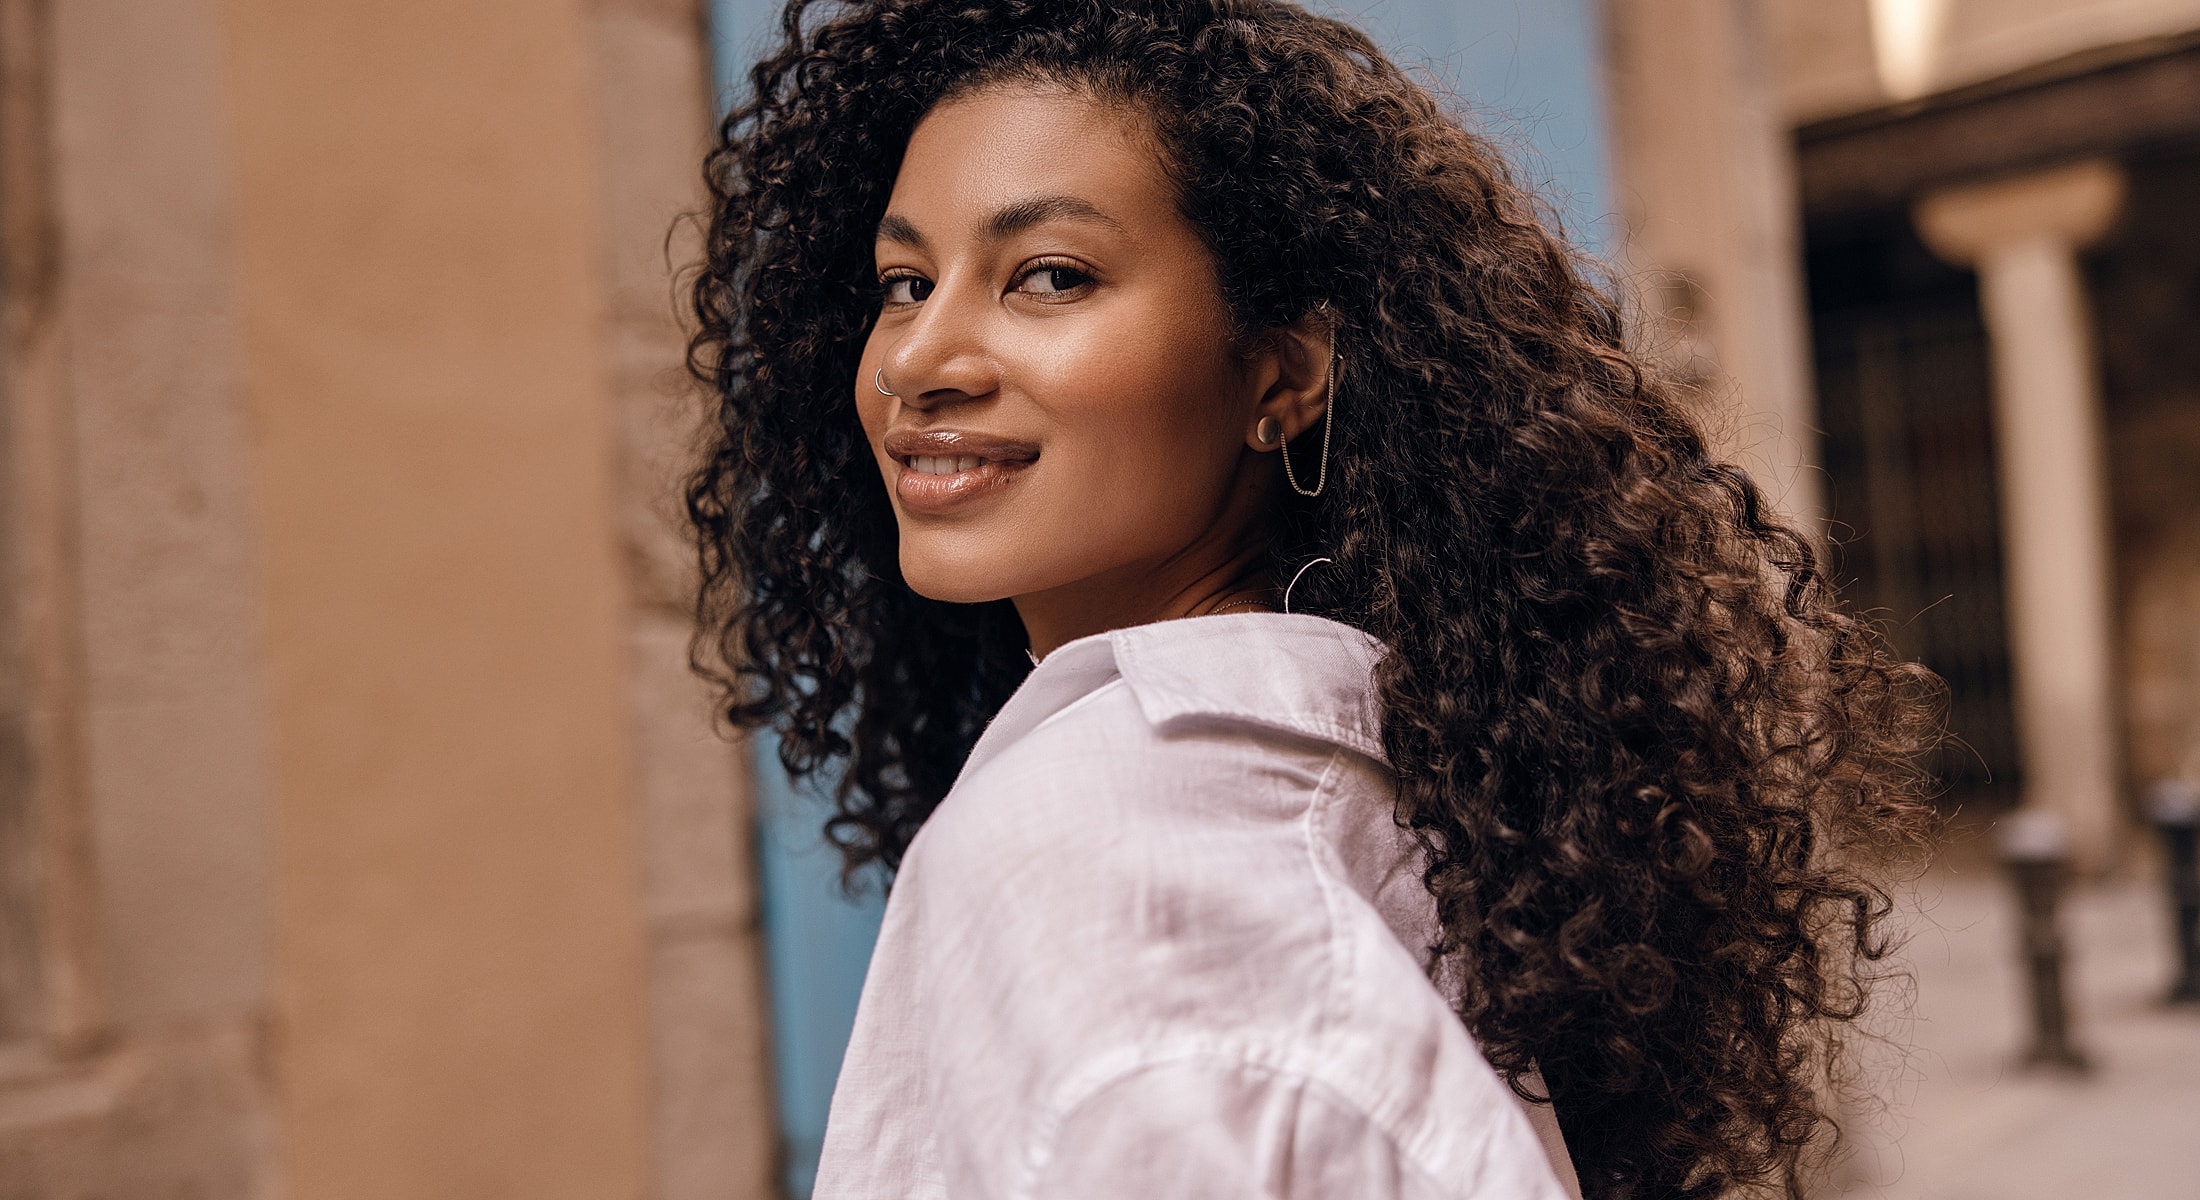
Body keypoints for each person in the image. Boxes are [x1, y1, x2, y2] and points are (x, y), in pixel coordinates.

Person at [686, 2, 1938, 1196]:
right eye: (903, 284)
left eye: (1050, 275)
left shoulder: (1114, 878)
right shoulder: (1346, 784)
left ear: (1281, 375)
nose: (915, 360)